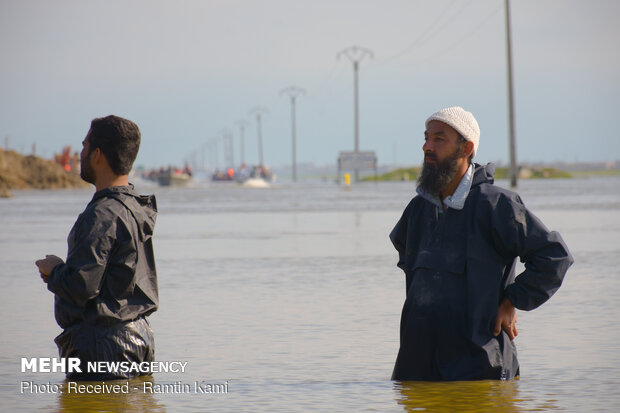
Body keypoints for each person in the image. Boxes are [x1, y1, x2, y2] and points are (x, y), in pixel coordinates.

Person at [390, 106, 573, 381]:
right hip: (417, 365)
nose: (427, 146)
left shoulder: (496, 205)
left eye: (439, 139)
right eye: (426, 138)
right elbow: (409, 261)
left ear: (467, 148)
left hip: (479, 364)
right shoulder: (418, 210)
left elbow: (554, 257)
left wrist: (512, 301)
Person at [35, 115, 158, 381]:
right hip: (139, 338)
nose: (80, 153)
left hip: (103, 346)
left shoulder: (102, 214)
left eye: (84, 146)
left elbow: (82, 285)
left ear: (97, 154)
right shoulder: (136, 207)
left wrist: (54, 270)